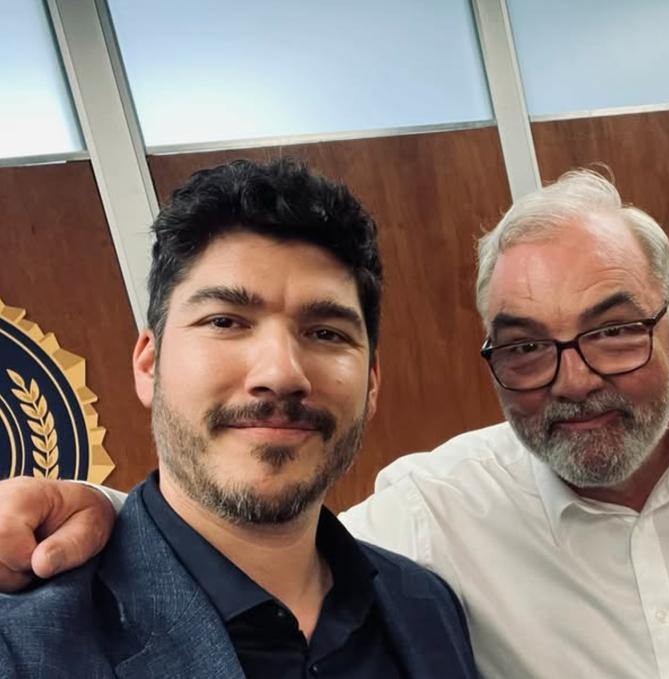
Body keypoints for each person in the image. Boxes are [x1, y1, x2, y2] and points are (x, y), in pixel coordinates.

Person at [0, 169, 669, 678]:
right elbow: (238, 524)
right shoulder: (435, 519)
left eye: (614, 331)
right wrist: (96, 515)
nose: (575, 379)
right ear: (149, 358)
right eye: (525, 346)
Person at [0, 160, 477, 678]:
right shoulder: (24, 645)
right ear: (148, 364)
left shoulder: (427, 606)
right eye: (225, 321)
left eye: (326, 333)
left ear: (372, 381)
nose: (281, 373)